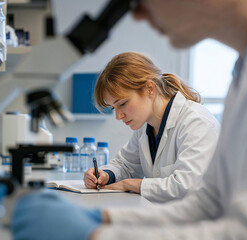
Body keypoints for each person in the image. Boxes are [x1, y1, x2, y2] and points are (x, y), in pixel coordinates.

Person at [12, 0, 247, 239]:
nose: (137, 14)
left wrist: (98, 235)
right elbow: (208, 206)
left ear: (148, 89)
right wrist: (106, 218)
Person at [82, 52, 220, 203]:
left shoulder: (196, 122)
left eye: (122, 104)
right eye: (113, 108)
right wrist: (106, 174)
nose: (118, 116)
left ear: (149, 88)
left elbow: (187, 186)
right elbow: (126, 164)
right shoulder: (146, 125)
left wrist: (132, 184)